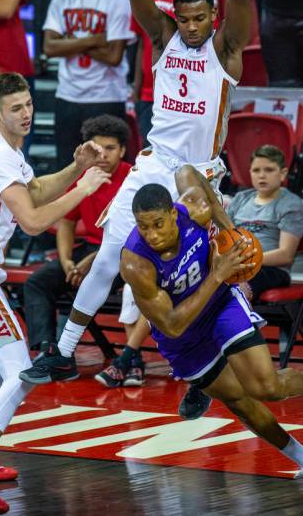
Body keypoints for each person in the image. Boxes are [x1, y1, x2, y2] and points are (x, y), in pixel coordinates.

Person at [18, 0, 252, 391]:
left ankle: (206, 368)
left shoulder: (226, 49)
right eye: (184, 19)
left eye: (199, 19)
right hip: (153, 165)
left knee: (195, 273)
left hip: (198, 176)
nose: (190, 28)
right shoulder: (163, 36)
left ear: (213, 15)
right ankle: (61, 352)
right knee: (108, 256)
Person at [0, 72, 109, 513]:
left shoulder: (6, 147)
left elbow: (32, 189)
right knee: (19, 373)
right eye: (16, 108)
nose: (27, 112)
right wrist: (84, 188)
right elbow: (33, 221)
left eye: (29, 104)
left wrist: (76, 169)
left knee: (6, 367)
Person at [119, 167, 303, 479]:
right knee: (240, 402)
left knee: (266, 387)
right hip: (182, 335)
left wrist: (231, 234)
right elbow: (173, 325)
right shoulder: (136, 262)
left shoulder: (195, 209)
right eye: (143, 227)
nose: (151, 234)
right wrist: (218, 273)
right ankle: (299, 456)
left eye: (158, 224)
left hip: (221, 305)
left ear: (173, 215)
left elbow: (187, 171)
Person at [23, 114, 131, 351]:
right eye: (98, 148)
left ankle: (124, 357)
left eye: (111, 148)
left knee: (91, 280)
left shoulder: (133, 178)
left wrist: (91, 262)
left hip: (124, 255)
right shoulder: (83, 177)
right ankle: (46, 349)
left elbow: (134, 235)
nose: (103, 154)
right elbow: (67, 223)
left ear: (122, 150)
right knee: (36, 283)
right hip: (88, 251)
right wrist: (66, 261)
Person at [43, 0, 133, 166]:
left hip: (107, 96)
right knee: (67, 167)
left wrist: (70, 41)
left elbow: (114, 55)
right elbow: (49, 47)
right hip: (68, 96)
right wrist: (93, 39)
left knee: (105, 169)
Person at [131, 0, 192, 144]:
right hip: (149, 94)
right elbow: (140, 42)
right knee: (151, 158)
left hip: (182, 94)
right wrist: (137, 89)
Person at [227, 145, 303, 301]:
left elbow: (286, 255)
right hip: (235, 265)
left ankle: (241, 318)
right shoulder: (240, 199)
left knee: (239, 283)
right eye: (256, 170)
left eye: (269, 170)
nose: (262, 176)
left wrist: (246, 261)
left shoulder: (291, 204)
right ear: (250, 173)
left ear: (283, 174)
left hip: (271, 270)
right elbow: (225, 237)